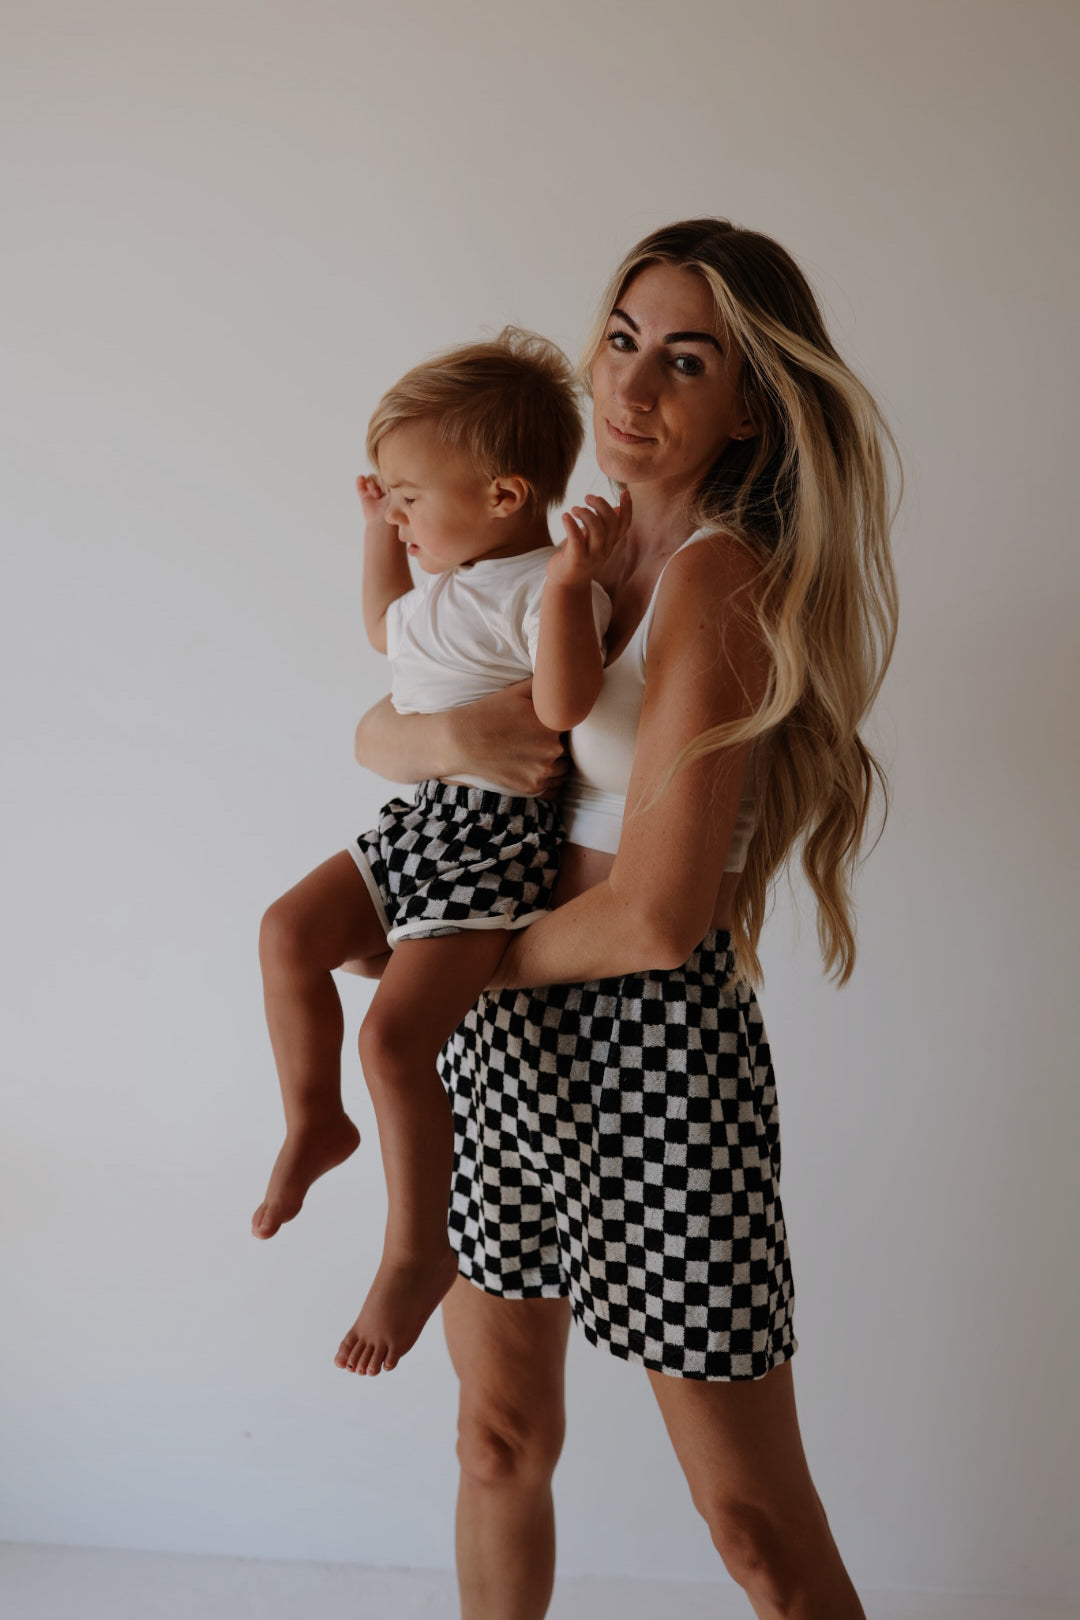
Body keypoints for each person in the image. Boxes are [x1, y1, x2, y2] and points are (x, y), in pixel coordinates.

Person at [349, 220, 900, 1618]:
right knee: (496, 1440)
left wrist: (447, 968)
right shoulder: (548, 560)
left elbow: (660, 921)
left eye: (688, 362)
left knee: (750, 1521)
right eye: (623, 339)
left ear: (751, 410)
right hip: (503, 1042)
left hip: (653, 1059)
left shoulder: (720, 578)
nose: (634, 387)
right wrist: (423, 758)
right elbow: (389, 719)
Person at [254, 329, 623, 1377]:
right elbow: (385, 631)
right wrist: (377, 527)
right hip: (420, 826)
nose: (403, 514)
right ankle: (316, 1122)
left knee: (395, 1044)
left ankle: (416, 1249)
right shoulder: (443, 585)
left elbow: (562, 705)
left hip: (491, 846)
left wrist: (564, 592)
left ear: (507, 495)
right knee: (287, 933)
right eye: (396, 498)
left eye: (414, 496)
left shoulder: (552, 585)